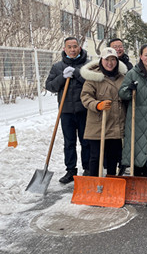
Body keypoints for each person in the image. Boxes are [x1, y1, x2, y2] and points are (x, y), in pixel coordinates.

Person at [45, 37, 90, 183]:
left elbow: (92, 82)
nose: (72, 49)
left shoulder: (87, 65)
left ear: (79, 48)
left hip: (84, 110)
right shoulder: (57, 67)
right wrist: (62, 77)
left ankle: (88, 169)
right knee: (69, 142)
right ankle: (70, 170)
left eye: (75, 46)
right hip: (66, 111)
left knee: (86, 141)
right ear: (64, 49)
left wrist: (77, 73)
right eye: (69, 47)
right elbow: (50, 86)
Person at [80, 48, 127, 177]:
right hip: (98, 124)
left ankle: (111, 181)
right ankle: (94, 182)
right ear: (101, 60)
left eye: (113, 59)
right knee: (95, 157)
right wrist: (97, 105)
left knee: (113, 157)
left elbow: (127, 96)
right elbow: (85, 97)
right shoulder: (93, 77)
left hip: (116, 124)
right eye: (107, 59)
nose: (110, 63)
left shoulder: (122, 78)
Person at [118, 44, 147, 177]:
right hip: (137, 119)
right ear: (141, 56)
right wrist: (129, 89)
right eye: (146, 55)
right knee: (136, 149)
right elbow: (122, 93)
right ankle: (135, 177)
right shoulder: (133, 73)